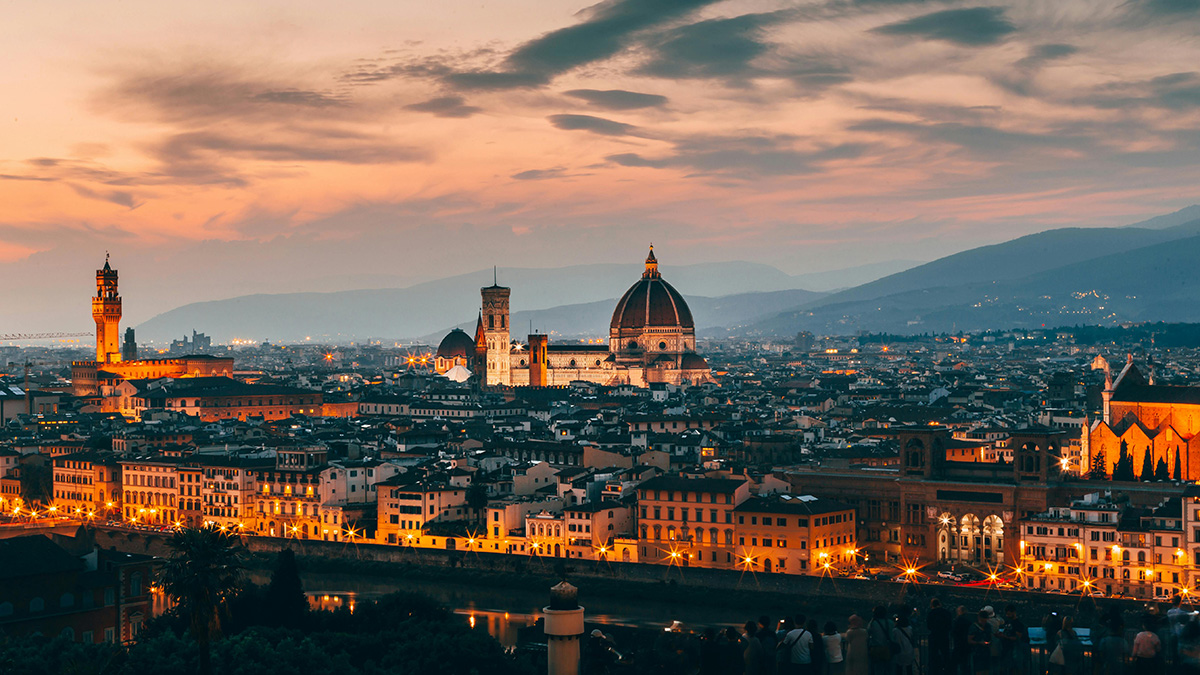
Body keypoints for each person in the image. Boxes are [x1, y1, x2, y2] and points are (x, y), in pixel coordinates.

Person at [998, 605, 1028, 675]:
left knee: (1014, 668)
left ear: (1013, 612)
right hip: (1007, 648)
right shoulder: (1008, 622)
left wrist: (1004, 636)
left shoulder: (1018, 624)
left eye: (1008, 614)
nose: (1007, 615)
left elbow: (1017, 638)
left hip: (1014, 649)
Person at [927, 599, 953, 675]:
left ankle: (933, 671)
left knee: (933, 655)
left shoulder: (931, 613)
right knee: (946, 655)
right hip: (944, 636)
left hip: (934, 637)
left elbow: (929, 626)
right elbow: (950, 625)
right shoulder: (946, 613)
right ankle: (947, 671)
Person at [868, 605, 894, 675]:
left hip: (876, 649)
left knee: (877, 669)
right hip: (888, 648)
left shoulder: (873, 623)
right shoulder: (890, 623)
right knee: (889, 669)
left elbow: (868, 632)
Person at [968, 609, 991, 675]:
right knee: (979, 670)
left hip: (986, 652)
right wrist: (979, 643)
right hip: (977, 652)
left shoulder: (988, 626)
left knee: (986, 670)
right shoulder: (973, 627)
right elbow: (969, 640)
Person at [952, 606, 973, 675]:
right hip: (966, 645)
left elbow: (953, 632)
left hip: (958, 644)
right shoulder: (968, 621)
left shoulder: (956, 621)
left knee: (955, 663)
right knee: (965, 663)